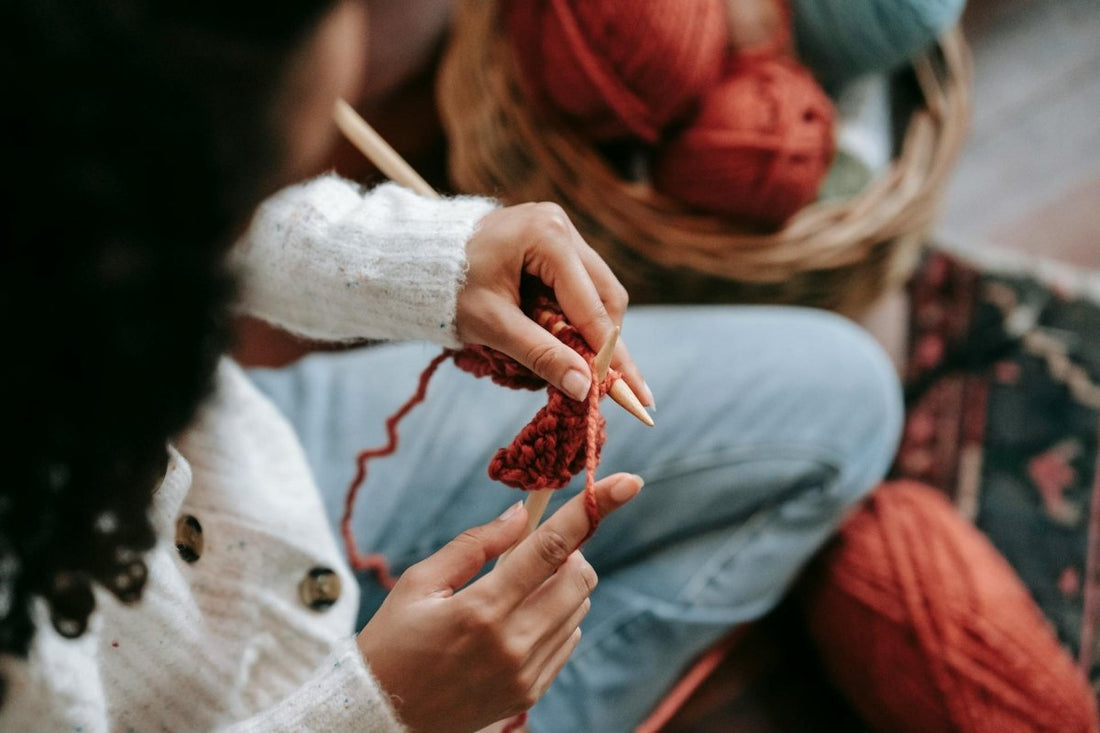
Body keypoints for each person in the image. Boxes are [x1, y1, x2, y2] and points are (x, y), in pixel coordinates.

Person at [0, 0, 902, 730]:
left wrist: (439, 262)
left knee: (845, 399)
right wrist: (380, 708)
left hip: (254, 488)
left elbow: (167, 199)